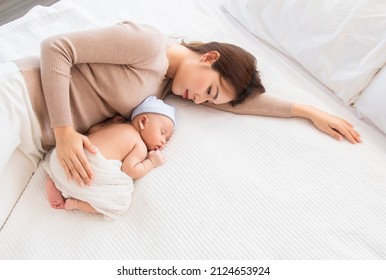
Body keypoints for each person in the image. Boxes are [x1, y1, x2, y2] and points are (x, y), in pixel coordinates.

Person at [1, 21, 361, 187]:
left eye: (208, 101)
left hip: (37, 142)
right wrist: (65, 132)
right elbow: (56, 47)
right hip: (18, 97)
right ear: (209, 58)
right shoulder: (147, 44)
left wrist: (307, 111)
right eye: (209, 90)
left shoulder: (167, 88)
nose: (201, 100)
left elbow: (238, 104)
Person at [44, 96, 175, 219]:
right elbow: (130, 170)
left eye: (167, 139)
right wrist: (151, 162)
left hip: (65, 162)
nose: (164, 141)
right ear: (143, 121)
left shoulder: (117, 125)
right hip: (89, 173)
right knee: (121, 202)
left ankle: (54, 179)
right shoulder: (140, 146)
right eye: (162, 133)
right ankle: (76, 203)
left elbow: (93, 131)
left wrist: (109, 122)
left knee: (72, 151)